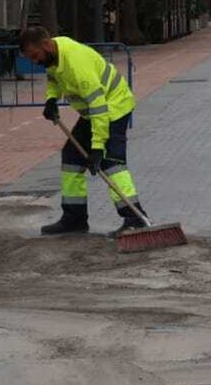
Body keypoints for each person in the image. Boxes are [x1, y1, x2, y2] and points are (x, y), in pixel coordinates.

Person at [19, 26, 150, 237]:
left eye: (35, 56)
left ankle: (135, 218)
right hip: (93, 112)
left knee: (111, 163)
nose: (35, 62)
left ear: (46, 45)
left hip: (113, 107)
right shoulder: (54, 55)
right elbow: (54, 78)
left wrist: (97, 148)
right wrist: (51, 99)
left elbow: (100, 110)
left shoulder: (76, 64)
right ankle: (74, 219)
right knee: (71, 157)